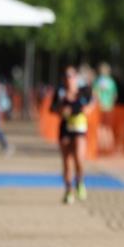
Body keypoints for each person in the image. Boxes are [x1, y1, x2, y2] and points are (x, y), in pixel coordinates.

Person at [52, 66, 93, 204]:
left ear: (76, 77)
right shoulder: (60, 92)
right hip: (65, 129)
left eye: (71, 76)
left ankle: (80, 182)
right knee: (67, 163)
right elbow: (52, 109)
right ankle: (68, 190)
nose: (68, 79)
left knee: (79, 159)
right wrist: (61, 111)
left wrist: (88, 109)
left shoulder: (83, 91)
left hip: (80, 129)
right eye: (66, 76)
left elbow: (93, 101)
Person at [93, 62, 119, 152]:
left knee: (100, 127)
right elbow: (115, 95)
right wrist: (111, 103)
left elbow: (95, 94)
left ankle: (101, 147)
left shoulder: (97, 81)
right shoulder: (111, 81)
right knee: (108, 128)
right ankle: (109, 147)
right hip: (110, 107)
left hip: (100, 108)